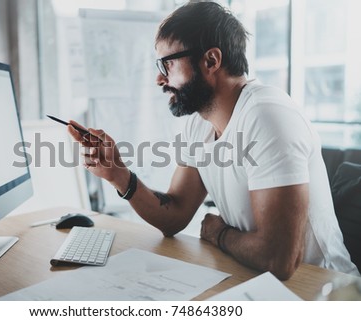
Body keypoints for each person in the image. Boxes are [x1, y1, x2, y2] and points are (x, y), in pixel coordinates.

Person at [68, 2, 359, 280]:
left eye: (166, 65)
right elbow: (175, 215)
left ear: (211, 60)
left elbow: (279, 259)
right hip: (255, 279)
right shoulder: (199, 124)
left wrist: (218, 233)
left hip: (321, 290)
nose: (159, 79)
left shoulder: (267, 115)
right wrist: (119, 175)